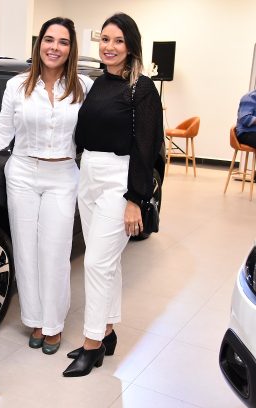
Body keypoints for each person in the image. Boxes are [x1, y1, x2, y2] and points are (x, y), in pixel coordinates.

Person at [0, 17, 92, 355]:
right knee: (26, 251)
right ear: (39, 44)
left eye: (63, 42)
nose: (54, 47)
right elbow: (2, 132)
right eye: (49, 40)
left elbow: (99, 126)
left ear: (71, 49)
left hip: (62, 175)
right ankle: (35, 320)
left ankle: (53, 324)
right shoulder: (17, 85)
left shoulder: (83, 86)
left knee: (55, 253)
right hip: (23, 173)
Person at [63, 13, 163, 377]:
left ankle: (91, 346)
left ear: (131, 46)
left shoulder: (142, 88)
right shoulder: (98, 83)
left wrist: (135, 198)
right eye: (105, 39)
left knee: (95, 263)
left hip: (119, 178)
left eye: (118, 40)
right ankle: (106, 332)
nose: (109, 47)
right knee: (107, 263)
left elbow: (146, 147)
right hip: (89, 172)